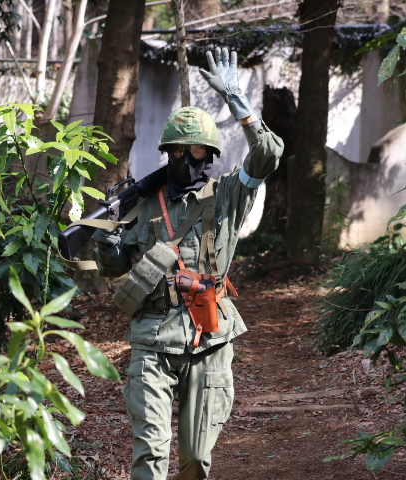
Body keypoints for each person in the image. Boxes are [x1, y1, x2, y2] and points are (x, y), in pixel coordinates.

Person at [92, 47, 284, 480]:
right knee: (150, 453)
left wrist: (236, 99)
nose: (185, 158)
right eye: (177, 150)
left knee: (195, 457)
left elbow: (268, 155)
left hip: (209, 338)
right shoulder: (142, 203)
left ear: (208, 153)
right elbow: (116, 266)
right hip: (152, 338)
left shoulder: (229, 195)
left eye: (195, 150)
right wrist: (106, 244)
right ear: (168, 152)